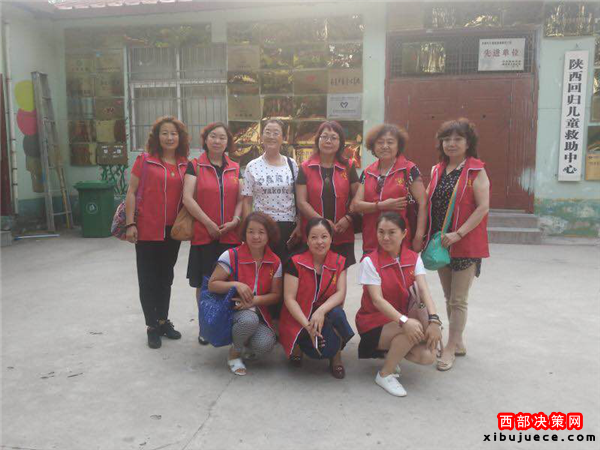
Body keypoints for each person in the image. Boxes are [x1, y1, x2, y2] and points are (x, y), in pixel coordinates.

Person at [425, 118, 490, 372]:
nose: (451, 144)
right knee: (448, 296)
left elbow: (482, 208)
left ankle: (450, 346)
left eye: (458, 139)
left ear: (468, 143)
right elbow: (428, 202)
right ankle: (458, 341)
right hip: (441, 244)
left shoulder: (476, 171)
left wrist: (459, 234)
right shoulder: (437, 170)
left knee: (459, 300)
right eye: (447, 139)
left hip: (465, 243)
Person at [356, 212, 442, 397]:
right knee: (414, 328)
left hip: (402, 321)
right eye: (381, 232)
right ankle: (385, 374)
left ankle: (392, 357)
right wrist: (405, 321)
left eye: (392, 232)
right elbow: (377, 300)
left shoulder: (413, 258)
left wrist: (435, 320)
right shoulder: (370, 261)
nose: (385, 237)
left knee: (427, 356)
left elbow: (424, 290)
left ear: (404, 233)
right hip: (373, 323)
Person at [125, 116, 190, 349]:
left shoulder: (185, 164)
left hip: (173, 232)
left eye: (174, 133)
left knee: (166, 277)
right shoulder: (145, 161)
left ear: (180, 138)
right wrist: (130, 224)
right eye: (165, 133)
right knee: (148, 278)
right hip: (147, 229)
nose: (169, 137)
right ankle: (151, 326)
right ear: (157, 137)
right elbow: (131, 192)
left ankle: (163, 321)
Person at [183, 122, 243, 345]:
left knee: (229, 281)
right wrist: (208, 223)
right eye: (213, 136)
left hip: (230, 236)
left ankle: (228, 325)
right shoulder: (195, 166)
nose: (217, 141)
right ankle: (205, 327)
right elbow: (188, 198)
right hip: (203, 234)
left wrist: (235, 221)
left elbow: (241, 199)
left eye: (222, 137)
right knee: (205, 283)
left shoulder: (235, 167)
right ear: (205, 139)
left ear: (228, 142)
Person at [208, 212, 282, 376]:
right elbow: (212, 285)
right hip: (231, 311)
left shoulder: (275, 261)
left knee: (266, 344)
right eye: (251, 231)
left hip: (257, 312)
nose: (256, 236)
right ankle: (234, 353)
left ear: (269, 235)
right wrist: (236, 284)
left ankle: (243, 340)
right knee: (249, 320)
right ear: (244, 233)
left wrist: (254, 301)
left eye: (261, 232)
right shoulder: (231, 255)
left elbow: (276, 295)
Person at [279, 218, 354, 379]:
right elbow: (289, 299)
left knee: (338, 315)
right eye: (314, 237)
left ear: (331, 239)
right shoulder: (295, 262)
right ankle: (299, 346)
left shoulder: (340, 261)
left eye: (324, 236)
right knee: (311, 345)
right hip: (300, 315)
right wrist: (308, 326)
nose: (319, 242)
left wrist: (320, 311)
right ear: (307, 240)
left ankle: (336, 356)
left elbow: (340, 292)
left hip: (325, 313)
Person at [351, 124, 427, 254]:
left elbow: (423, 203)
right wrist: (381, 205)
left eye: (390, 142)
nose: (385, 146)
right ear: (373, 146)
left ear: (398, 146)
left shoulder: (408, 170)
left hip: (400, 242)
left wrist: (419, 236)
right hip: (371, 239)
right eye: (380, 142)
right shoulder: (368, 172)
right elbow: (356, 205)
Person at [296, 121, 360, 268]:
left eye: (333, 137)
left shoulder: (348, 166)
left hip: (342, 232)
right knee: (312, 273)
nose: (328, 141)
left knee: (339, 275)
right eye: (324, 136)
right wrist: (322, 223)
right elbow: (301, 202)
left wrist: (349, 218)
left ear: (340, 142)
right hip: (314, 234)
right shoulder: (305, 167)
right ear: (318, 140)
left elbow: (358, 196)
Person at [242, 119, 302, 265]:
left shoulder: (292, 164)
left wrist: (300, 225)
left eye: (276, 133)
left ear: (283, 138)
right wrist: (248, 230)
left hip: (288, 225)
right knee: (264, 267)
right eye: (267, 132)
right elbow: (247, 201)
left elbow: (299, 197)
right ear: (261, 136)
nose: (271, 136)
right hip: (263, 226)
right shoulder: (252, 166)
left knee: (286, 267)